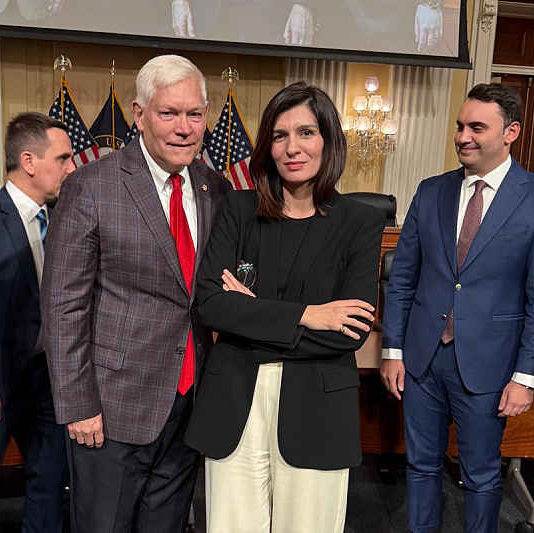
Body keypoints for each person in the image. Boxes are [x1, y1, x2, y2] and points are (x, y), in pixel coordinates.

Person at [41, 54, 231, 533]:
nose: (184, 127)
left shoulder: (216, 187)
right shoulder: (91, 186)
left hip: (189, 401)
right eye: (169, 113)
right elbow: (64, 305)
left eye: (194, 114)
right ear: (138, 114)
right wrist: (78, 403)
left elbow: (225, 273)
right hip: (111, 407)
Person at [184, 82, 386, 532]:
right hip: (236, 398)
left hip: (316, 404)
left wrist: (251, 318)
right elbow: (212, 306)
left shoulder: (360, 222)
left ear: (329, 140)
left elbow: (349, 330)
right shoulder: (237, 210)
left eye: (306, 133)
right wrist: (307, 314)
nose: (292, 148)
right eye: (279, 136)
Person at [380, 83, 534, 533]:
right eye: (460, 126)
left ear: (511, 132)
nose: (463, 136)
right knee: (421, 467)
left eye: (477, 127)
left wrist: (526, 378)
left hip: (490, 366)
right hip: (423, 359)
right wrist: (392, 351)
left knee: (481, 476)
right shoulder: (430, 191)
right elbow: (402, 279)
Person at [0, 112, 74, 532]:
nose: (71, 168)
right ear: (29, 161)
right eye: (62, 159)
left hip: (43, 379)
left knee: (51, 479)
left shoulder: (59, 221)